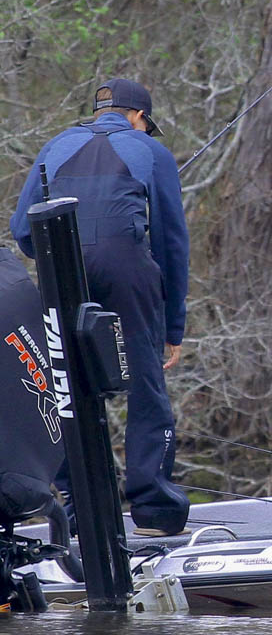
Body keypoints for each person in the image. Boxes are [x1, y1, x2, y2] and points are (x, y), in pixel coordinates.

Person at [10, 78, 191, 536]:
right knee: (145, 381)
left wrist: (62, 256)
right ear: (139, 117)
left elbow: (22, 229)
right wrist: (173, 327)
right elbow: (171, 244)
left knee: (66, 386)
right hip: (126, 267)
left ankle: (76, 506)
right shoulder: (152, 152)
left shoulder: (56, 145)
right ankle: (154, 509)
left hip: (60, 266)